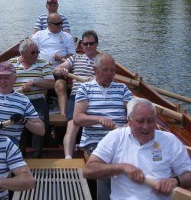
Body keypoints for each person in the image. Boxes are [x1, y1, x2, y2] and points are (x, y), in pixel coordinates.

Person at [83, 97, 191, 200]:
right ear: (129, 121)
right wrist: (122, 167)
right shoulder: (116, 137)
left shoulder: (170, 140)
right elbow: (88, 170)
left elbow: (189, 175)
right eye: (140, 121)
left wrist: (175, 181)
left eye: (150, 121)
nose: (146, 126)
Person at [73, 52, 133, 200]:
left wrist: (129, 124)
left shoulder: (122, 89)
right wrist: (99, 119)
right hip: (95, 141)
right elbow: (77, 118)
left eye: (112, 70)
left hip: (121, 139)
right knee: (105, 167)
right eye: (106, 70)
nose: (110, 74)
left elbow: (133, 113)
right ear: (95, 70)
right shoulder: (84, 88)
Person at [0, 61, 45, 145]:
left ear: (15, 79)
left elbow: (41, 130)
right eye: (0, 78)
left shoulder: (23, 100)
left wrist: (23, 121)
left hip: (9, 143)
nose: (2, 81)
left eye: (6, 78)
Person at [53, 30, 98, 159]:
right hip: (77, 96)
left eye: (91, 43)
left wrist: (96, 78)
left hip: (96, 96)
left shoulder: (101, 60)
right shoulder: (75, 58)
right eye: (85, 44)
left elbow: (110, 77)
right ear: (81, 45)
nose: (88, 46)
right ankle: (68, 158)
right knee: (72, 126)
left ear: (96, 44)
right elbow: (56, 71)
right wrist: (62, 69)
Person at [8, 38, 55, 158]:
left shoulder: (42, 63)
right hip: (16, 99)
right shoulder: (11, 64)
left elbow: (51, 83)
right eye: (32, 52)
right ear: (22, 53)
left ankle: (36, 153)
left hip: (36, 100)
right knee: (14, 120)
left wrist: (35, 82)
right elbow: (3, 83)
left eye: (37, 52)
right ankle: (19, 153)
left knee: (40, 121)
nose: (36, 55)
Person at [31, 13, 76, 114]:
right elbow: (30, 51)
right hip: (42, 70)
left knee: (60, 85)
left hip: (60, 69)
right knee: (42, 87)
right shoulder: (39, 35)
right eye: (57, 24)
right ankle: (40, 113)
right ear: (49, 24)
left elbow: (73, 56)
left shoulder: (67, 36)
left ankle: (63, 115)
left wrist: (63, 58)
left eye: (61, 23)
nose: (60, 25)